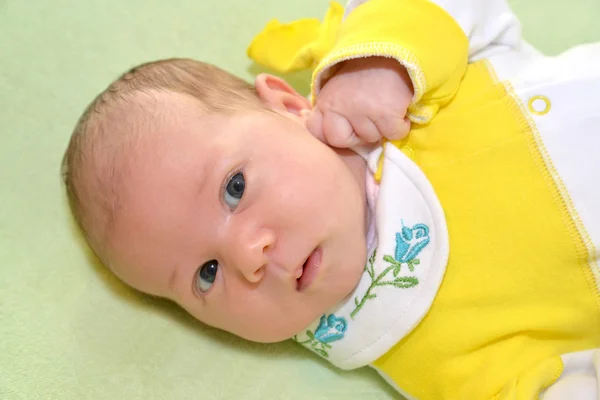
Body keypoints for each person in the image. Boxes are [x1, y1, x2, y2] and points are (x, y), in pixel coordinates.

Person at [62, 0, 600, 398]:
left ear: (287, 104)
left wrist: (383, 60)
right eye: (207, 273)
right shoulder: (403, 347)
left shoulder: (388, 94)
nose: (249, 256)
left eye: (235, 188)